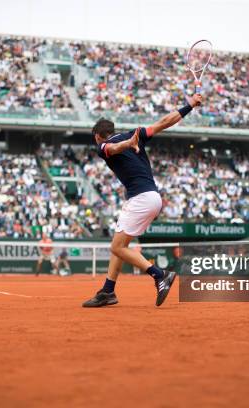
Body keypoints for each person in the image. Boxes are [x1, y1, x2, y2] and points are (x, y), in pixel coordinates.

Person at [82, 93, 203, 307]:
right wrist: (190, 105)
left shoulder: (104, 145)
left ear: (98, 136)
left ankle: (159, 275)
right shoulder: (136, 134)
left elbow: (112, 148)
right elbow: (165, 122)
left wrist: (128, 144)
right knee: (121, 244)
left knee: (117, 247)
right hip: (152, 198)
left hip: (141, 198)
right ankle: (108, 291)